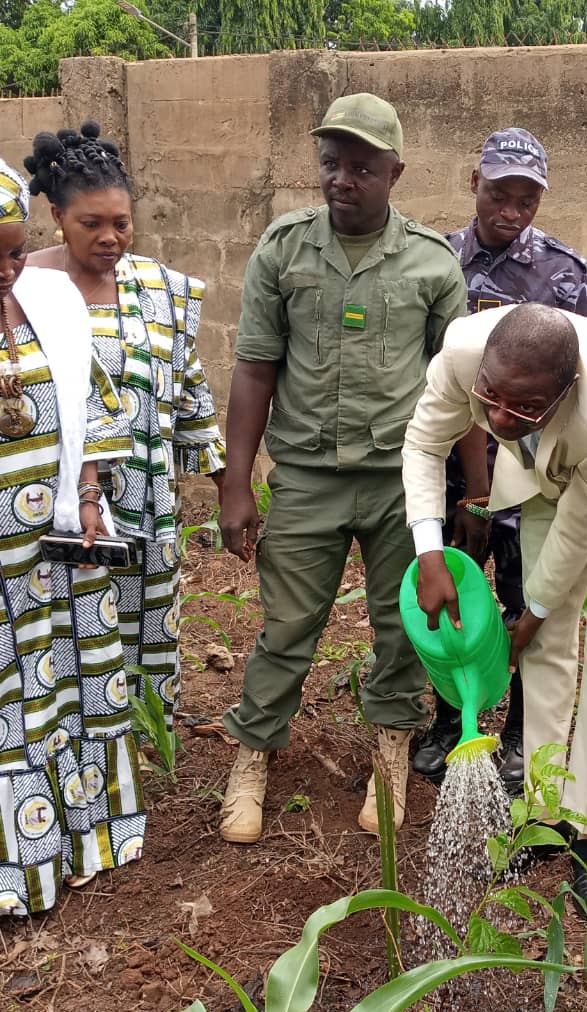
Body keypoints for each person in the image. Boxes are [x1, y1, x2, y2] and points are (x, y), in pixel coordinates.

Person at [217, 93, 469, 844]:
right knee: (287, 627)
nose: (342, 179)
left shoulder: (430, 262)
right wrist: (234, 482)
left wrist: (472, 491)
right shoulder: (284, 249)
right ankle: (254, 753)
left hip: (402, 484)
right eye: (331, 163)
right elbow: (255, 368)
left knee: (402, 627)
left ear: (395, 172)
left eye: (362, 166)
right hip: (306, 477)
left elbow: (457, 384)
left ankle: (390, 754)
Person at [401, 302, 587, 921]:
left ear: (566, 389)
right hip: (547, 465)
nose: (500, 419)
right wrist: (431, 553)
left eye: (523, 407)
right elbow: (425, 443)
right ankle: (542, 813)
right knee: (548, 642)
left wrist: (527, 614)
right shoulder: (462, 353)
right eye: (491, 399)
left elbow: (579, 531)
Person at [23, 121, 226, 731]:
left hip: (146, 494)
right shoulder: (26, 288)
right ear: (57, 215)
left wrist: (226, 482)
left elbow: (188, 386)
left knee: (139, 621)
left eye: (122, 223)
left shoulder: (157, 288)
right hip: (52, 499)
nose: (111, 238)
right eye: (92, 224)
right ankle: (63, 736)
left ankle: (131, 739)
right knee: (61, 621)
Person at [412, 127, 587, 788]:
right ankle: (451, 718)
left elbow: (577, 387)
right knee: (451, 601)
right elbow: (434, 377)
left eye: (527, 198)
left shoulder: (561, 273)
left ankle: (519, 733)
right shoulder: (437, 263)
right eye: (499, 192)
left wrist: (509, 489)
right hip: (455, 476)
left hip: (529, 482)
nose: (511, 209)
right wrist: (468, 491)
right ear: (474, 183)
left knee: (523, 606)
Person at [0, 160, 143, 913]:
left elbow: (94, 405)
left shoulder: (49, 299)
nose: (8, 270)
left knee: (72, 686)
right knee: (10, 701)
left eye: (15, 252)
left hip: (58, 545)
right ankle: (18, 871)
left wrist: (89, 496)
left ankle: (84, 838)